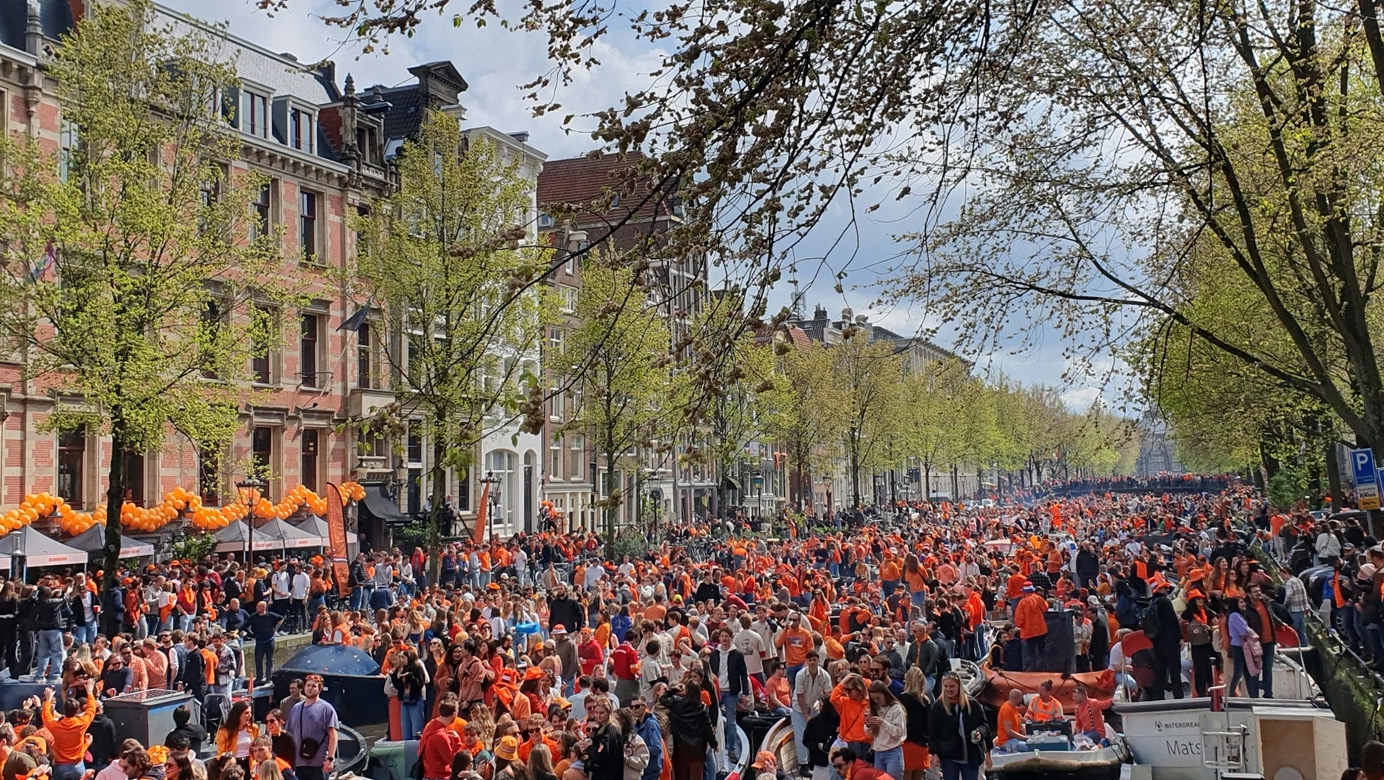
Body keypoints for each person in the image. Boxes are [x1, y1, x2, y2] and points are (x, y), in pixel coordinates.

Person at [926, 673, 991, 780]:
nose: (948, 689)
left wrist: (980, 732)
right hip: (949, 756)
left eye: (952, 686)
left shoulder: (972, 704)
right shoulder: (938, 706)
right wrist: (934, 752)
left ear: (959, 686)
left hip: (971, 755)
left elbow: (984, 724)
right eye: (946, 686)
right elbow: (933, 732)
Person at [704, 627, 749, 764]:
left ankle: (731, 749)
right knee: (712, 719)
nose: (724, 639)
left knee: (731, 722)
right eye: (722, 636)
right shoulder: (714, 654)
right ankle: (713, 745)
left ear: (731, 638)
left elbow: (743, 674)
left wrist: (745, 692)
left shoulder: (738, 655)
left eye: (726, 636)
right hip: (716, 691)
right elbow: (710, 673)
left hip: (731, 692)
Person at [41, 678, 98, 780]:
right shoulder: (82, 723)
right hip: (77, 766)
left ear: (64, 710)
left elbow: (45, 715)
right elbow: (91, 709)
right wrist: (89, 692)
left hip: (60, 767)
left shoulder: (55, 726)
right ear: (76, 711)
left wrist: (48, 700)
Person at [657, 682, 715, 780]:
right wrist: (714, 743)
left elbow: (662, 699)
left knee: (681, 776)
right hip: (697, 750)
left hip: (680, 748)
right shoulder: (702, 708)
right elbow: (708, 728)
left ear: (686, 691)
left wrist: (674, 689)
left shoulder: (677, 703)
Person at [285, 675, 338, 780]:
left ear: (320, 689)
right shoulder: (296, 708)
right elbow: (289, 734)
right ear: (304, 687)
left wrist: (330, 759)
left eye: (314, 686)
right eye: (308, 685)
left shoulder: (327, 709)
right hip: (298, 762)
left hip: (319, 763)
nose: (310, 688)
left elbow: (333, 735)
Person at [792, 650, 830, 767]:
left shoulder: (824, 675)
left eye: (814, 659)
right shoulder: (800, 675)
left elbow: (829, 694)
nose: (812, 662)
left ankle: (813, 761)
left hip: (814, 706)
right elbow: (800, 696)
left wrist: (825, 711)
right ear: (806, 661)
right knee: (801, 734)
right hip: (799, 706)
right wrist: (806, 716)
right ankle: (803, 764)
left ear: (818, 660)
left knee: (815, 734)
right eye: (810, 660)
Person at [864, 681, 906, 780]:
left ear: (885, 694)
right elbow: (869, 734)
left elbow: (899, 733)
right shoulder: (874, 709)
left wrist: (883, 723)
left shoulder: (896, 709)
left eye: (878, 698)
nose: (876, 701)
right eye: (873, 699)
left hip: (892, 752)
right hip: (878, 752)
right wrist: (868, 725)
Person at [420, 696, 464, 780]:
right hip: (439, 776)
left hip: (428, 774)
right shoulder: (441, 736)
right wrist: (457, 742)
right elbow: (453, 761)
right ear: (454, 714)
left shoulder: (429, 725)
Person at [246, 603, 284, 685]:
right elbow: (245, 624)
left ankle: (268, 677)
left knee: (269, 660)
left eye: (259, 606)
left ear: (264, 607)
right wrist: (238, 631)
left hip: (269, 641)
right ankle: (259, 677)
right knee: (258, 660)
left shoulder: (270, 615)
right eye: (257, 606)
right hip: (259, 642)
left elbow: (281, 618)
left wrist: (275, 628)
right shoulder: (253, 616)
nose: (257, 608)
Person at [1012, 585, 1048, 672]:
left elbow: (1018, 619)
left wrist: (1020, 626)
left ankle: (1034, 671)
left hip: (1029, 631)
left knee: (1032, 653)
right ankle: (1045, 670)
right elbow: (1045, 608)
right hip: (1041, 629)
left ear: (1024, 592)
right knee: (1042, 651)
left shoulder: (1022, 603)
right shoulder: (1039, 598)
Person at [217, 702, 259, 768]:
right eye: (246, 713)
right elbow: (221, 752)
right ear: (238, 714)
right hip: (233, 764)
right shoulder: (224, 732)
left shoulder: (254, 728)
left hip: (250, 763)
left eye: (250, 712)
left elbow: (258, 746)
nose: (250, 715)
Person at [993, 689, 1027, 754]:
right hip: (1006, 741)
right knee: (1029, 747)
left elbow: (1020, 725)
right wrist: (1024, 738)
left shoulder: (1014, 708)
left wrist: (1027, 736)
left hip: (1014, 739)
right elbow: (1008, 731)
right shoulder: (1007, 709)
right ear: (1018, 698)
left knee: (1032, 744)